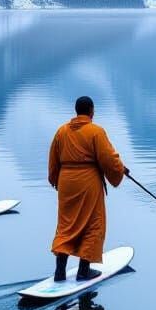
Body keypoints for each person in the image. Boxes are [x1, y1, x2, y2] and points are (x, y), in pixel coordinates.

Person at [49, 96, 126, 282]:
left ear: (76, 110)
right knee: (93, 223)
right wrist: (119, 170)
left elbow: (53, 159)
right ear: (91, 110)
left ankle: (60, 272)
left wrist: (54, 179)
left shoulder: (61, 131)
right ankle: (84, 271)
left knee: (66, 225)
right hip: (88, 182)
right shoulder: (95, 132)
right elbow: (108, 158)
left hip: (67, 182)